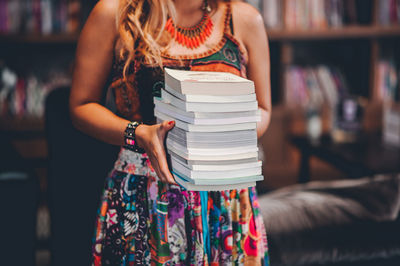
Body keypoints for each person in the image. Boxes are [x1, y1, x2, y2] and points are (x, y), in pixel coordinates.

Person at [70, 0, 272, 264]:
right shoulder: (114, 12)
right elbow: (81, 106)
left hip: (226, 199)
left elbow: (263, 109)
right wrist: (137, 133)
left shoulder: (245, 19)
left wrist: (222, 134)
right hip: (145, 195)